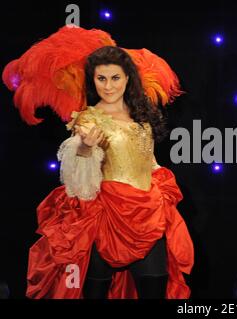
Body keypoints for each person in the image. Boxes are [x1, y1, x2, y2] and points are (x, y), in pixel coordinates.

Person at [3, 27, 194, 299]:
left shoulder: (142, 116)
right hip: (105, 218)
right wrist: (84, 148)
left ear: (128, 78)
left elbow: (147, 159)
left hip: (147, 216)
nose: (109, 85)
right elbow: (77, 178)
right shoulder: (88, 118)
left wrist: (159, 186)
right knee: (95, 292)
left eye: (115, 77)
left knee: (155, 290)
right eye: (101, 78)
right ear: (93, 81)